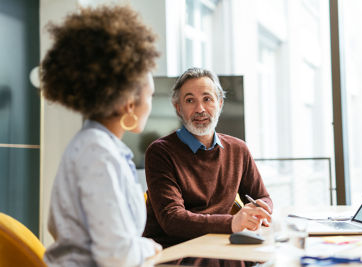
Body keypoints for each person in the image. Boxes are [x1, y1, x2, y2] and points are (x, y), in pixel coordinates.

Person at [41, 5, 162, 266]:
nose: (151, 104)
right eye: (150, 95)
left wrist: (140, 247)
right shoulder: (98, 154)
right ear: (129, 103)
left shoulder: (98, 146)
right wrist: (147, 249)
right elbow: (117, 256)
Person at [143, 67, 273, 247]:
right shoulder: (160, 152)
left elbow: (262, 197)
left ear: (220, 103)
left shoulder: (238, 149)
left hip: (222, 244)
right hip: (178, 251)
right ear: (178, 108)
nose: (200, 109)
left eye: (207, 99)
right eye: (190, 100)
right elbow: (173, 220)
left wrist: (260, 208)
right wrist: (232, 223)